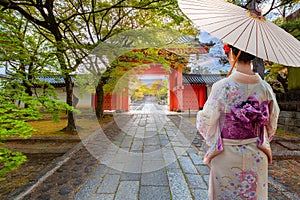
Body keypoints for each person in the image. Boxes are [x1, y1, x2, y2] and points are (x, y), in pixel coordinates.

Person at [196, 44, 280, 200]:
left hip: (227, 153)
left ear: (232, 55)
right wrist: (262, 136)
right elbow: (272, 121)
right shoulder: (265, 88)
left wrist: (207, 129)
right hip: (256, 152)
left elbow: (206, 121)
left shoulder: (222, 87)